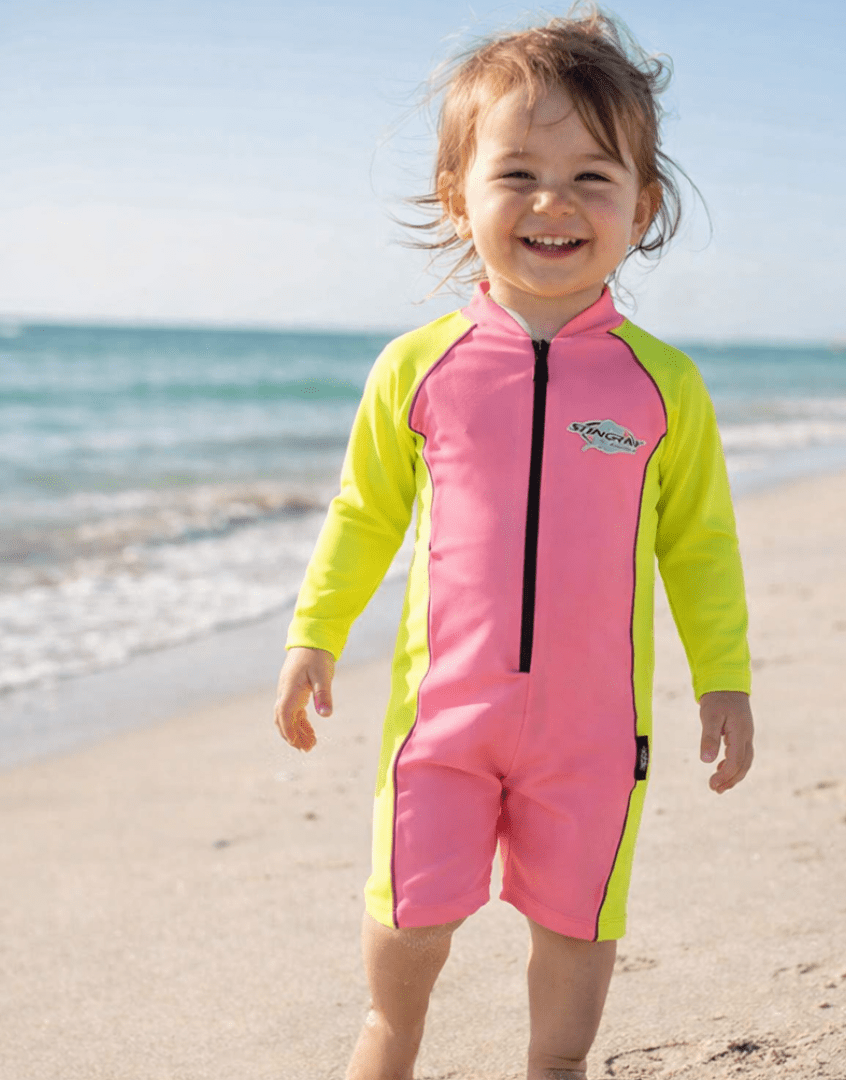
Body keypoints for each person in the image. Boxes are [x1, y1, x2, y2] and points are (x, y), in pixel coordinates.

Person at [273, 9, 754, 1079]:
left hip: (592, 730)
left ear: (645, 205)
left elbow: (700, 544)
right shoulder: (420, 366)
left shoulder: (661, 384)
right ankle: (389, 1040)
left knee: (579, 924)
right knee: (409, 918)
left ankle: (557, 1069)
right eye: (518, 172)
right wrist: (315, 633)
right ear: (459, 196)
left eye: (594, 176)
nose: (554, 202)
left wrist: (724, 677)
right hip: (444, 717)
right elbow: (363, 515)